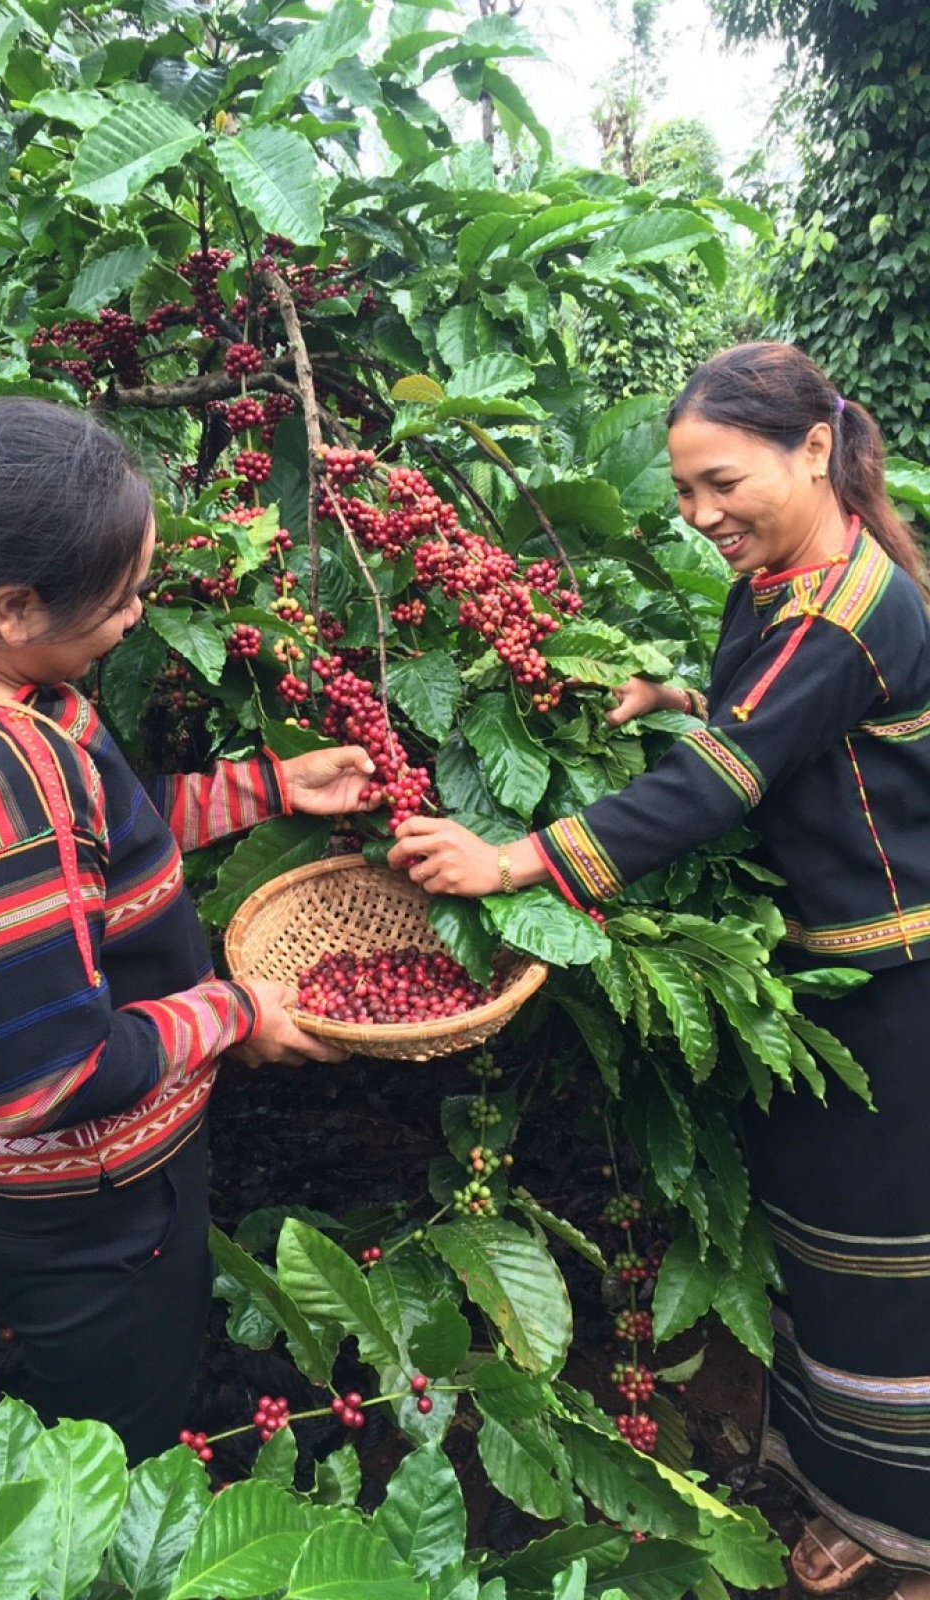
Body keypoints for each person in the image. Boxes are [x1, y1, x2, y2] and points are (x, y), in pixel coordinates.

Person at [388, 343, 930, 1592]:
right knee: (823, 1245)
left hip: (893, 987)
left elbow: (726, 781)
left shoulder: (845, 604)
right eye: (684, 492)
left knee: (886, 1262)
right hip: (820, 972)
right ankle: (847, 1484)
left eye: (718, 482)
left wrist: (516, 858)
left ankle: (903, 1525)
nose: (698, 516)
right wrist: (673, 688)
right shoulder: (793, 575)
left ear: (811, 449)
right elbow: (764, 716)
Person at [0, 397, 375, 1463]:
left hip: (75, 1198)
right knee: (109, 1464)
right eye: (122, 596)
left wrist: (272, 785)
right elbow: (45, 1078)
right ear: (15, 606)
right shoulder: (9, 792)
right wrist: (235, 1013)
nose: (138, 615)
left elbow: (107, 826)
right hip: (95, 1215)